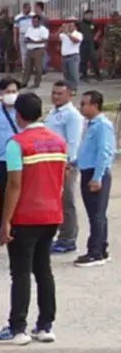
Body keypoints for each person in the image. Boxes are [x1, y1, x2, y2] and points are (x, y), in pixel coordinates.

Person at [0, 92, 65, 346]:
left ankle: (17, 326)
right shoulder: (58, 141)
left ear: (17, 115)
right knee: (44, 270)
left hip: (25, 215)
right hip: (51, 213)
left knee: (20, 272)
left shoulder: (17, 144)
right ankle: (45, 325)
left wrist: (5, 220)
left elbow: (14, 185)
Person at [74, 90, 114, 267]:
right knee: (94, 214)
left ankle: (96, 251)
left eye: (84, 104)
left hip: (96, 173)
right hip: (87, 170)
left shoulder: (102, 125)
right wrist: (74, 162)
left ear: (95, 106)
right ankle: (100, 248)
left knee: (97, 214)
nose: (81, 107)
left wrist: (97, 177)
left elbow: (104, 152)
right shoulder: (91, 124)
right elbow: (88, 150)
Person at [46, 81, 84, 255]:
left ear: (69, 94)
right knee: (56, 201)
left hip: (65, 164)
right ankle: (61, 235)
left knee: (67, 201)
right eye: (54, 93)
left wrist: (68, 163)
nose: (55, 96)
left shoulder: (72, 115)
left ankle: (68, 238)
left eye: (60, 93)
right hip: (52, 162)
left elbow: (73, 142)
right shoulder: (53, 113)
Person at [0, 78, 21, 229]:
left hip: (19, 159)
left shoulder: (23, 112)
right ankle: (2, 224)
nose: (11, 95)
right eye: (8, 92)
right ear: (0, 93)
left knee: (18, 192)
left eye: (14, 92)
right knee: (1, 193)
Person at [21, 10, 50, 88]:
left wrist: (34, 41)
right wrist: (28, 40)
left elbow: (44, 40)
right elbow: (26, 38)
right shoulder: (29, 29)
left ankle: (36, 83)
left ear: (39, 22)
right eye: (33, 21)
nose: (34, 23)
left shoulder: (43, 30)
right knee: (27, 68)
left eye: (36, 22)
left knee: (38, 68)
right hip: (29, 50)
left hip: (38, 50)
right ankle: (24, 81)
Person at [58, 23, 83, 91]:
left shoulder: (78, 34)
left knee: (73, 74)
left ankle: (74, 89)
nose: (69, 27)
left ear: (75, 27)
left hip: (73, 56)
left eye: (70, 26)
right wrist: (60, 30)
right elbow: (56, 37)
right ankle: (68, 88)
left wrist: (67, 33)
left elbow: (75, 41)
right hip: (64, 57)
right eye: (68, 26)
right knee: (66, 74)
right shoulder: (64, 34)